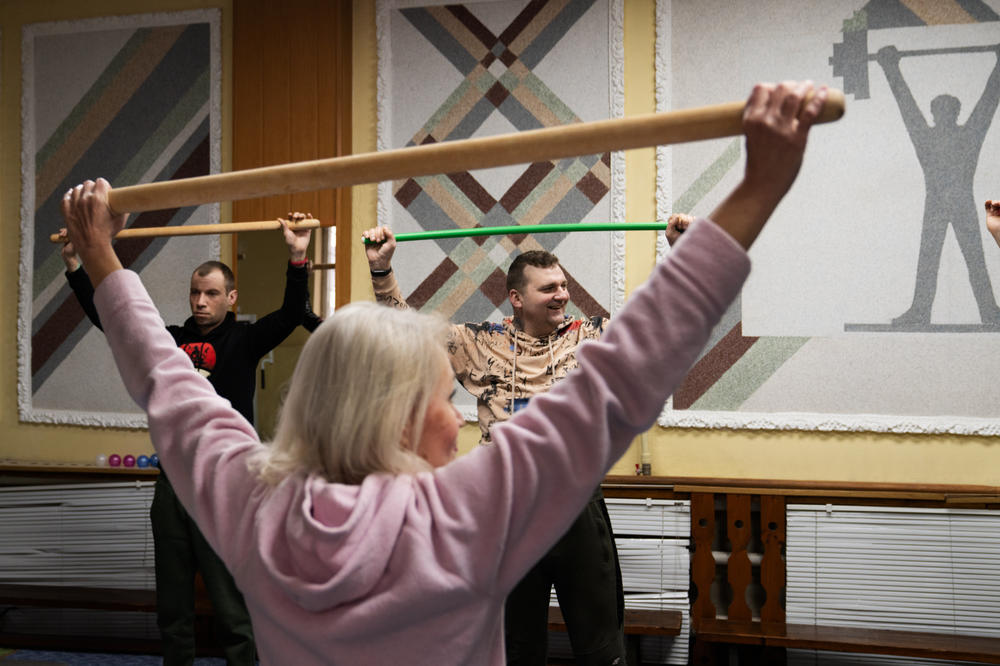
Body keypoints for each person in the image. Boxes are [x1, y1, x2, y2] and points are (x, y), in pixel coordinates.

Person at [60, 80, 827, 666]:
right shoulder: (463, 515)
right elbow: (627, 378)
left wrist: (101, 258)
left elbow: (166, 384)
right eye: (440, 397)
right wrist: (763, 182)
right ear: (399, 420)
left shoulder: (253, 509)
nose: (453, 414)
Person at [365, 206, 692, 664]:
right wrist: (382, 269)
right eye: (549, 288)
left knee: (601, 645)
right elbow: (405, 333)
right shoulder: (479, 343)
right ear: (516, 298)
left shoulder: (592, 336)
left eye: (563, 285)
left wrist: (681, 255)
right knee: (515, 646)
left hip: (575, 504)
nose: (562, 295)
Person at [58, 215, 312, 665]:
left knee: (232, 609)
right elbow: (111, 320)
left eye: (211, 293)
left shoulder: (245, 339)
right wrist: (77, 267)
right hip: (172, 482)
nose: (200, 301)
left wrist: (297, 256)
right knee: (173, 608)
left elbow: (293, 314)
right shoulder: (170, 342)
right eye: (195, 292)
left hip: (225, 483)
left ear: (231, 298)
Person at [875, 44, 1000, 327]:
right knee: (932, 258)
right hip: (944, 203)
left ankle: (988, 311)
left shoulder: (962, 136)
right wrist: (890, 68)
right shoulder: (936, 138)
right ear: (937, 114)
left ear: (952, 113)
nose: (943, 115)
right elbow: (906, 104)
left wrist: (890, 67)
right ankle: (927, 310)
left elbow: (988, 102)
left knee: (970, 258)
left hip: (955, 202)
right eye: (940, 110)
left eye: (946, 110)